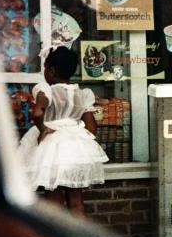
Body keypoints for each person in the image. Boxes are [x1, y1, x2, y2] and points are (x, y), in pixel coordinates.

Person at [18, 46, 109, 214]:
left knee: (54, 202)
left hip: (50, 151)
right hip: (75, 152)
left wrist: (43, 129)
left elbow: (38, 113)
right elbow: (91, 128)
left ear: (51, 71)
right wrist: (75, 132)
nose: (44, 72)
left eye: (45, 68)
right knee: (76, 202)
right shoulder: (82, 94)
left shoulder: (46, 90)